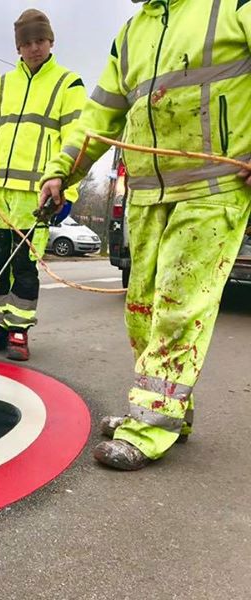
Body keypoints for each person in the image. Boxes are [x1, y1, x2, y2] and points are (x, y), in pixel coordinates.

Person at [40, 0, 251, 470]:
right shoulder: (134, 30)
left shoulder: (232, 6)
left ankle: (152, 424)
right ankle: (168, 406)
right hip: (148, 193)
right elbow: (100, 115)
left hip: (214, 186)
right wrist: (62, 172)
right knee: (142, 309)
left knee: (179, 306)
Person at [0, 8, 86, 361]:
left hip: (35, 196)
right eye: (27, 43)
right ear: (18, 48)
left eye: (40, 40)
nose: (34, 48)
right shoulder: (0, 86)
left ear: (51, 41)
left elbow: (77, 142)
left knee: (23, 266)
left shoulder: (68, 85)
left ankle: (19, 332)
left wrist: (67, 192)